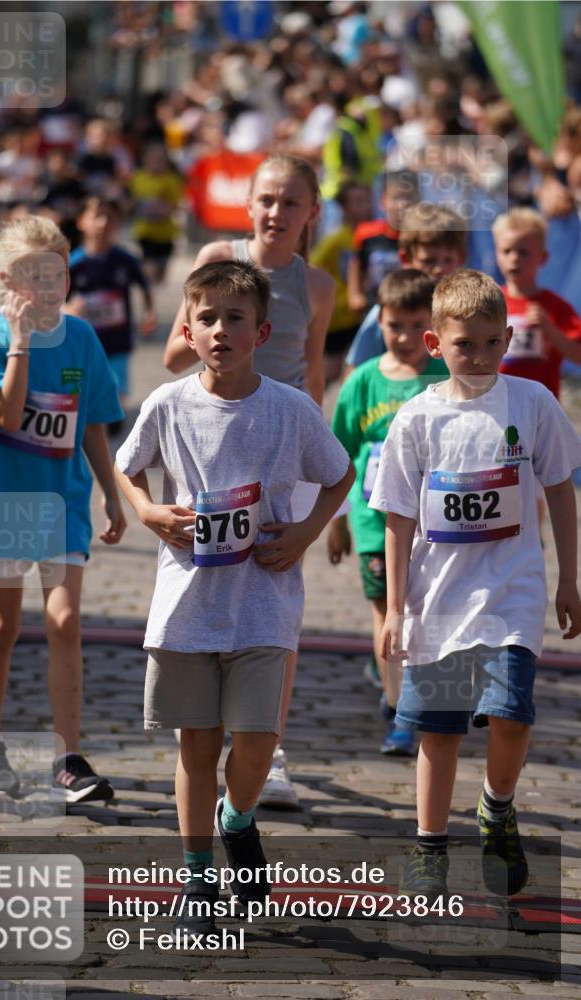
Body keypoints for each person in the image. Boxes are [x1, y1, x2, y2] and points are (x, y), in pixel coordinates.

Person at [115, 260, 353, 934]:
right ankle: (196, 880)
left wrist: (306, 531)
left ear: (262, 330)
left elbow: (338, 475)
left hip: (263, 601)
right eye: (208, 318)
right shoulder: (166, 405)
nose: (221, 329)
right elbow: (126, 468)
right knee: (196, 747)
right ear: (187, 330)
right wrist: (146, 512)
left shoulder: (290, 408)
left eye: (235, 318)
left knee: (255, 740)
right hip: (188, 606)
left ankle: (236, 817)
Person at [370, 269, 581, 899]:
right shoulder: (417, 419)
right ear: (436, 345)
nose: (482, 357)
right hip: (437, 601)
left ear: (509, 336)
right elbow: (398, 519)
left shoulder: (532, 404)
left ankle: (497, 805)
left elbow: (561, 490)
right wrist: (394, 610)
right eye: (466, 345)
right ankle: (429, 842)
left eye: (494, 342)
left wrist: (570, 576)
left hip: (511, 594)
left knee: (511, 715)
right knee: (439, 730)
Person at [162, 153, 337, 809]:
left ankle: (270, 747)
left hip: (282, 452)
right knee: (211, 582)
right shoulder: (215, 255)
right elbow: (178, 350)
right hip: (215, 445)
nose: (275, 212)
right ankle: (205, 722)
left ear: (310, 214)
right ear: (248, 205)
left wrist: (321, 484)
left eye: (290, 202)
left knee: (274, 601)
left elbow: (312, 372)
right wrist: (209, 332)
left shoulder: (316, 285)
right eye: (266, 199)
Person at [0, 215, 127, 804]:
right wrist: (21, 342)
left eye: (56, 274)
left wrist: (111, 491)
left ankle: (67, 758)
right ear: (8, 279)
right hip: (3, 497)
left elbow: (95, 424)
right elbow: (7, 413)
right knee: (3, 625)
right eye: (33, 276)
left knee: (64, 620)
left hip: (62, 500)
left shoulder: (81, 337)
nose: (48, 287)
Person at [327, 270, 447, 755]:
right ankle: (398, 710)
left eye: (415, 326)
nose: (402, 337)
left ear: (434, 327)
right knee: (388, 611)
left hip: (436, 525)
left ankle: (432, 695)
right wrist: (335, 522)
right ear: (379, 320)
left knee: (431, 611)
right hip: (376, 524)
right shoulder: (362, 382)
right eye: (393, 325)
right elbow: (336, 455)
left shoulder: (444, 380)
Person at [67, 197, 156, 434]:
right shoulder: (73, 263)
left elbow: (145, 286)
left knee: (116, 384)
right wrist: (68, 310)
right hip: (85, 339)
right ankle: (84, 418)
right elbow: (58, 300)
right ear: (81, 222)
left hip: (118, 336)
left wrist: (149, 312)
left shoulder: (125, 259)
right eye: (97, 216)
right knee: (84, 383)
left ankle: (114, 417)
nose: (103, 222)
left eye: (110, 217)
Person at [345, 202, 467, 371]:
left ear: (460, 258)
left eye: (448, 260)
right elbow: (357, 369)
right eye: (429, 261)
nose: (440, 269)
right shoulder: (391, 309)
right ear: (405, 259)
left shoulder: (465, 309)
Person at [493, 207, 581, 399]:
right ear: (496, 254)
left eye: (523, 252)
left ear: (543, 258)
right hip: (497, 404)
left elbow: (578, 355)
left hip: (541, 408)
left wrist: (550, 330)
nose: (514, 258)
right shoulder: (489, 302)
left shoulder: (554, 306)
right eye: (506, 251)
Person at [310, 179, 372, 385]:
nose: (364, 206)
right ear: (344, 207)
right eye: (357, 201)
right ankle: (311, 401)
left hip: (363, 315)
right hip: (340, 317)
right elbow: (314, 266)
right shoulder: (336, 240)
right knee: (333, 368)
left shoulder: (373, 237)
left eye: (366, 200)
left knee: (359, 367)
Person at [345, 169, 420, 316]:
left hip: (411, 307)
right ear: (383, 201)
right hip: (374, 307)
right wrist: (354, 294)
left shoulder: (422, 237)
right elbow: (356, 263)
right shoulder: (366, 232)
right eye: (396, 198)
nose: (402, 204)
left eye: (409, 198)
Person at [130, 142, 184, 287]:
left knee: (161, 274)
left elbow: (175, 205)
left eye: (161, 160)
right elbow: (132, 200)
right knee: (149, 267)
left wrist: (161, 210)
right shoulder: (138, 177)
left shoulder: (171, 180)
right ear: (145, 160)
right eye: (153, 160)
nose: (157, 164)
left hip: (166, 233)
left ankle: (155, 291)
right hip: (146, 231)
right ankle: (149, 292)